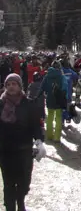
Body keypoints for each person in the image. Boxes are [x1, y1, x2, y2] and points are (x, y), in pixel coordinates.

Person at [0, 73, 46, 211]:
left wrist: (39, 141)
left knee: (24, 182)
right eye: (8, 84)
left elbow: (35, 125)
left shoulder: (28, 103)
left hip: (24, 150)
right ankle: (10, 207)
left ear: (20, 86)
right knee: (8, 183)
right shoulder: (0, 104)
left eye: (14, 84)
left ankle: (20, 200)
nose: (11, 87)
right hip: (5, 150)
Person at [40, 61, 68, 142]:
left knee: (49, 117)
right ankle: (57, 137)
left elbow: (42, 88)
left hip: (49, 99)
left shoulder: (47, 76)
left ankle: (49, 135)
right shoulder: (62, 76)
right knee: (58, 118)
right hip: (58, 100)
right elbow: (65, 89)